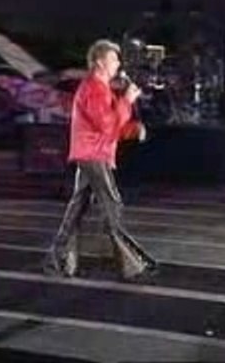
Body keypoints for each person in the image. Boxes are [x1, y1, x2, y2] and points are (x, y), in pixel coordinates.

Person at [44, 39, 157, 281]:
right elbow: (106, 125)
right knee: (112, 205)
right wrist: (127, 100)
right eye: (113, 58)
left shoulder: (101, 89)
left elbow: (111, 125)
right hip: (93, 154)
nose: (118, 63)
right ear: (99, 62)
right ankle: (132, 264)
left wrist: (133, 129)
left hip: (91, 153)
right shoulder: (93, 88)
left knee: (77, 209)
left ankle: (59, 261)